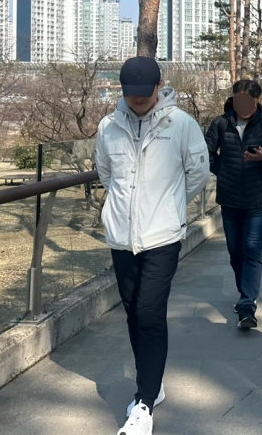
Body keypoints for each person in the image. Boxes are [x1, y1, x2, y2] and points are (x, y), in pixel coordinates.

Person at [95, 57, 210, 435]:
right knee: (133, 313)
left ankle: (143, 403)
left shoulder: (181, 124)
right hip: (121, 236)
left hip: (162, 236)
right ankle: (153, 381)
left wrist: (169, 205)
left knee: (149, 311)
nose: (138, 99)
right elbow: (106, 174)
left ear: (160, 85)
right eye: (131, 93)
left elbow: (198, 173)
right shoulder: (108, 127)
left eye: (145, 92)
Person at [205, 79, 262, 330]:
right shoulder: (220, 123)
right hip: (229, 199)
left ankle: (247, 303)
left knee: (251, 248)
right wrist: (223, 170)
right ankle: (244, 292)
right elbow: (206, 153)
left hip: (258, 199)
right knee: (235, 251)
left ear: (256, 100)